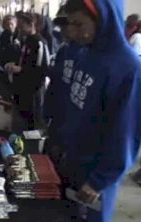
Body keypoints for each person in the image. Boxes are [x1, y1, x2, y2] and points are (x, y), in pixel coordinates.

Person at [49, 0, 141, 221]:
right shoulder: (84, 54)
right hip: (70, 161)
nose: (71, 31)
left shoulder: (128, 68)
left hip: (95, 174)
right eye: (70, 24)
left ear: (104, 21)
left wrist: (99, 180)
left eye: (79, 25)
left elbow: (126, 134)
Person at [6, 12, 50, 130]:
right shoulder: (27, 41)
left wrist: (21, 69)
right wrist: (15, 65)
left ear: (31, 24)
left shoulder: (40, 43)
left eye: (21, 26)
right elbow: (24, 61)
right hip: (22, 90)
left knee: (32, 125)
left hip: (33, 92)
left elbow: (41, 70)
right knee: (22, 122)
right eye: (18, 26)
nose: (19, 29)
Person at [0, 15, 21, 84]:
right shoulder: (3, 36)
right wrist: (3, 66)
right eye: (7, 24)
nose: (10, 26)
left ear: (16, 24)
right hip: (5, 68)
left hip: (18, 69)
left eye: (11, 24)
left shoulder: (21, 35)